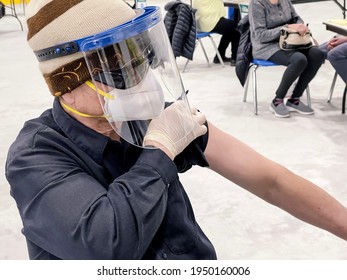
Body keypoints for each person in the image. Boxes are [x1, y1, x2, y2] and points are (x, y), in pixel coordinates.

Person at [5, 0, 347, 260]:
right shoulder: (36, 156)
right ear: (64, 83)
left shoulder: (156, 118)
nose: (140, 78)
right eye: (118, 68)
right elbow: (106, 247)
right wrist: (159, 154)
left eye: (141, 58)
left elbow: (271, 181)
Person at [248, 0, 325, 118]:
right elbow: (261, 35)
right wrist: (287, 27)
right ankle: (277, 100)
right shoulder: (257, 4)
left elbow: (296, 18)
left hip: (291, 42)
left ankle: (294, 99)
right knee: (299, 59)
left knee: (317, 54)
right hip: (266, 46)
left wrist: (300, 26)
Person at [192, 0, 240, 66]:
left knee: (229, 28)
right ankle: (235, 58)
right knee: (236, 27)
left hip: (200, 22)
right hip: (209, 21)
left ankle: (219, 56)